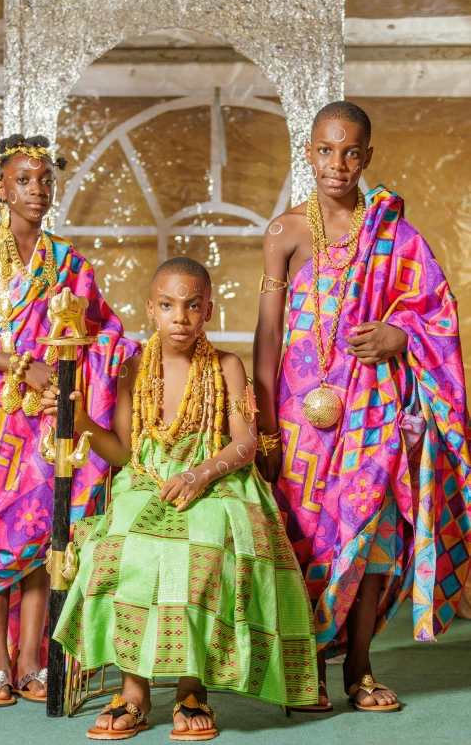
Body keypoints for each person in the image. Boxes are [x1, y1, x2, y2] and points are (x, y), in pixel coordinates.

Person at [253, 101, 471, 713]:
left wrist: (400, 337)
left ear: (368, 157)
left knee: (371, 530)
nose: (338, 165)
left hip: (372, 412)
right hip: (299, 418)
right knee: (304, 537)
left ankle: (360, 666)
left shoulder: (395, 235)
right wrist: (266, 422)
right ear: (309, 153)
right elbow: (267, 334)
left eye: (351, 152)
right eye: (326, 150)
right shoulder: (284, 232)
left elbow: (437, 314)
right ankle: (307, 667)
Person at [43, 257, 318, 740]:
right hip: (148, 477)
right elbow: (124, 452)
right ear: (150, 309)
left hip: (216, 477)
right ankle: (134, 692)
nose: (181, 317)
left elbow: (245, 443)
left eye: (193, 306)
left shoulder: (228, 366)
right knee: (121, 549)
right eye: (168, 305)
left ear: (208, 310)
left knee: (206, 550)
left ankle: (194, 688)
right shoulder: (133, 369)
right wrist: (84, 422)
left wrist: (198, 475)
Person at [0, 134, 139, 704]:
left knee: (39, 533)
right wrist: (20, 365)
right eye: (24, 181)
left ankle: (32, 662)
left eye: (44, 180)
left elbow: (103, 328)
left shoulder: (68, 261)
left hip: (51, 415)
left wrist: (115, 353)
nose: (37, 190)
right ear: (2, 188)